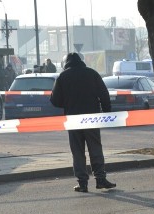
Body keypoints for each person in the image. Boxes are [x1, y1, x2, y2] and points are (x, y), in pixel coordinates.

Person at [49, 53, 116, 193]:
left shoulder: (63, 77)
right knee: (95, 148)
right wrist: (107, 113)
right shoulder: (92, 73)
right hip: (92, 118)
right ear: (81, 61)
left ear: (66, 63)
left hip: (73, 120)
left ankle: (82, 183)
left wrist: (67, 103)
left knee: (77, 151)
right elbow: (104, 94)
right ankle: (100, 179)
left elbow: (55, 100)